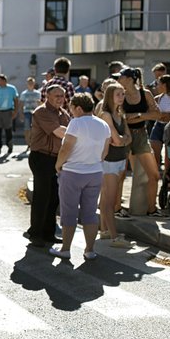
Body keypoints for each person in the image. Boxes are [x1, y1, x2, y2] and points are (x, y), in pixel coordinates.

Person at [49, 93, 110, 260]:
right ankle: (90, 250)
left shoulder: (76, 123)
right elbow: (105, 152)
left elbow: (66, 148)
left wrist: (58, 164)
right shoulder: (104, 124)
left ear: (79, 108)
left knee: (69, 212)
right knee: (90, 213)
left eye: (72, 109)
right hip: (95, 172)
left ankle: (65, 249)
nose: (71, 112)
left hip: (73, 172)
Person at [117, 67, 169, 218]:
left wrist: (139, 115)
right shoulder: (120, 94)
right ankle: (117, 208)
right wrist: (143, 116)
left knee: (154, 175)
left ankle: (152, 209)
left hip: (141, 135)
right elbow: (120, 117)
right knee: (120, 175)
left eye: (122, 76)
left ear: (130, 78)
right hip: (124, 136)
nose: (119, 79)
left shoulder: (145, 94)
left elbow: (157, 114)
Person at [26, 85, 70, 247]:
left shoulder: (63, 113)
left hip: (57, 159)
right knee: (42, 197)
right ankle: (35, 233)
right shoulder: (42, 112)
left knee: (53, 198)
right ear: (48, 96)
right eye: (57, 96)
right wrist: (77, 132)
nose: (60, 99)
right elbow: (60, 132)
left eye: (62, 96)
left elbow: (68, 132)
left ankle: (48, 233)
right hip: (41, 158)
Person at [97, 83, 135, 248]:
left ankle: (104, 230)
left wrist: (122, 140)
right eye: (118, 94)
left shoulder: (120, 113)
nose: (122, 97)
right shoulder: (105, 114)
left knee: (107, 198)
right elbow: (119, 140)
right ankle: (114, 237)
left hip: (120, 159)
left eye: (122, 94)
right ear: (110, 96)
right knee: (109, 201)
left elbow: (128, 138)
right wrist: (122, 140)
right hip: (109, 161)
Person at [0, 74, 19, 156]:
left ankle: (9, 146)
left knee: (8, 130)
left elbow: (16, 100)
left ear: (4, 81)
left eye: (0, 80)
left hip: (8, 111)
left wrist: (15, 112)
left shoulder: (12, 88)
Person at [18, 77, 41, 150]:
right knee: (27, 129)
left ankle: (33, 142)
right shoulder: (24, 93)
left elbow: (40, 104)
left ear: (34, 84)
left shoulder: (37, 93)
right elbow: (21, 104)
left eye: (32, 83)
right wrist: (21, 114)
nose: (30, 84)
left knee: (34, 129)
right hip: (26, 112)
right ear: (27, 84)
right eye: (29, 83)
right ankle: (28, 143)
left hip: (35, 113)